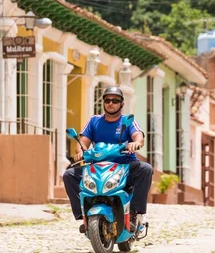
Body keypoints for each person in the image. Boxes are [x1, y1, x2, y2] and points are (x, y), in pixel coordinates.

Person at [62, 86, 153, 234]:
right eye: (107, 100)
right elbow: (83, 142)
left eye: (115, 100)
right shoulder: (94, 121)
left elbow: (138, 136)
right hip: (97, 165)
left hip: (125, 164)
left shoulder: (127, 121)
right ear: (103, 102)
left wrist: (135, 143)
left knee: (145, 169)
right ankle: (82, 215)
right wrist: (80, 151)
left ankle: (135, 213)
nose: (111, 103)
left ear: (122, 103)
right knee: (69, 175)